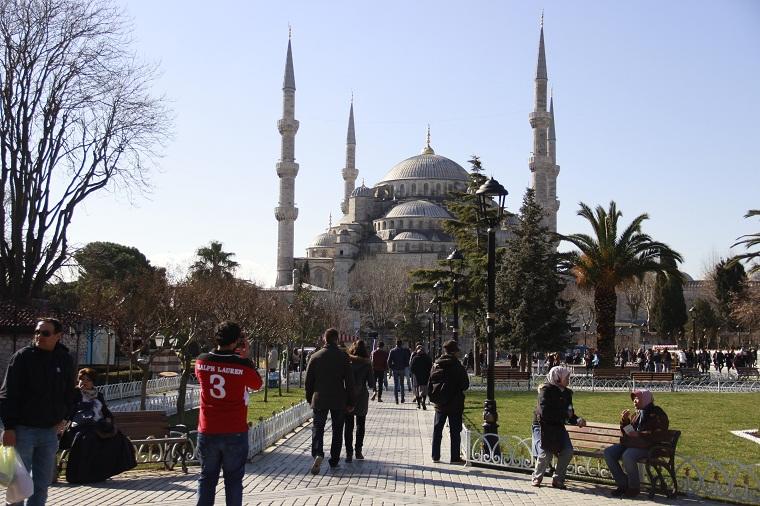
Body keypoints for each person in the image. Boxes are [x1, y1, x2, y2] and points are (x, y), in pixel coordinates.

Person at [0, 317, 75, 506]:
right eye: (37, 332)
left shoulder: (64, 359)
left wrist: (65, 418)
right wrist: (8, 428)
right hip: (23, 430)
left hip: (49, 432)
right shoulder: (22, 357)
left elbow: (69, 393)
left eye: (45, 333)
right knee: (18, 485)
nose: (39, 336)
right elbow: (7, 394)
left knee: (41, 484)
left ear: (58, 336)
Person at [194, 321, 262, 506]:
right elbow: (257, 384)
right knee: (233, 481)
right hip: (234, 430)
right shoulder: (242, 365)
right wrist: (246, 358)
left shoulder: (201, 361)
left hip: (208, 429)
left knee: (206, 478)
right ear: (236, 340)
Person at [60, 368, 136, 484]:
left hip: (97, 426)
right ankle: (82, 475)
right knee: (88, 439)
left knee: (118, 438)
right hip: (79, 427)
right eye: (81, 379)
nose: (83, 382)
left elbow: (105, 411)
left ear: (93, 382)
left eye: (87, 380)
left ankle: (101, 472)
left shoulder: (98, 395)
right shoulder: (74, 394)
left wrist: (109, 419)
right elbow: (69, 412)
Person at [305, 328, 355, 474]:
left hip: (320, 397)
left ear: (325, 339)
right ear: (336, 339)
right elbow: (349, 382)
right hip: (338, 398)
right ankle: (334, 460)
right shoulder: (343, 357)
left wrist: (309, 398)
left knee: (318, 428)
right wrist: (351, 401)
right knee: (337, 430)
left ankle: (318, 453)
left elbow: (309, 381)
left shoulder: (315, 356)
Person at [603, 389, 669, 498]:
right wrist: (625, 421)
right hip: (633, 444)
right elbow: (628, 433)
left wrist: (640, 434)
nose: (634, 401)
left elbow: (659, 434)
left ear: (646, 399)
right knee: (608, 452)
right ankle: (623, 484)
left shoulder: (657, 413)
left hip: (650, 447)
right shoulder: (637, 414)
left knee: (628, 455)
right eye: (633, 398)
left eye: (637, 398)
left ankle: (634, 488)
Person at [531, 366, 586, 489]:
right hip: (543, 426)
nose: (569, 380)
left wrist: (577, 420)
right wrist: (565, 415)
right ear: (557, 377)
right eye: (567, 377)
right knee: (547, 452)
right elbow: (544, 413)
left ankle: (558, 479)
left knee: (567, 451)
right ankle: (537, 477)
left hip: (558, 427)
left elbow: (569, 412)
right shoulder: (546, 391)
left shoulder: (567, 393)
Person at [427, 340, 469, 464]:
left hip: (440, 403)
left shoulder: (436, 364)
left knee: (437, 429)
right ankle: (454, 457)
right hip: (454, 403)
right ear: (455, 352)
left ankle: (435, 456)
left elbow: (430, 381)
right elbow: (465, 384)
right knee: (455, 431)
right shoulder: (457, 366)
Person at [344, 340, 373, 462]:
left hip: (348, 395)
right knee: (361, 424)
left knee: (348, 425)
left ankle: (348, 453)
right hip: (361, 396)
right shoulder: (367, 364)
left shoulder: (347, 362)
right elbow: (371, 383)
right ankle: (358, 451)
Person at [410, 345, 433, 410]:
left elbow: (411, 368)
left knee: (417, 390)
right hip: (425, 376)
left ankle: (418, 403)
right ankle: (423, 401)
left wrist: (414, 373)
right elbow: (430, 367)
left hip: (417, 376)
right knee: (424, 390)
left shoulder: (415, 358)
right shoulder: (427, 358)